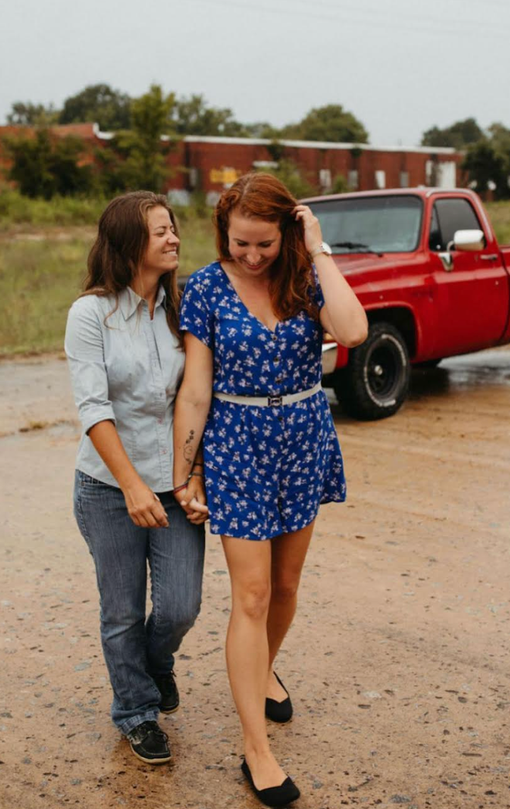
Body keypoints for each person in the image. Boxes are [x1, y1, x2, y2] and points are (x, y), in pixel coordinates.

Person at [172, 173, 368, 806]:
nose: (252, 256)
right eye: (239, 243)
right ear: (223, 234)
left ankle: (260, 673)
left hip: (303, 436)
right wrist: (186, 469)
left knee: (285, 587)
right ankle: (255, 749)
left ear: (287, 233)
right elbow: (196, 387)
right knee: (251, 594)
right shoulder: (203, 287)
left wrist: (316, 247)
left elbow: (355, 331)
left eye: (264, 244)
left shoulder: (305, 277)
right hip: (237, 443)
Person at [65, 191, 208, 766]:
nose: (174, 238)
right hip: (108, 488)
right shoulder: (90, 314)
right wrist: (130, 485)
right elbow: (93, 408)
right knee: (121, 611)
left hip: (174, 487)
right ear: (128, 243)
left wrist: (192, 477)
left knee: (180, 608)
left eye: (173, 228)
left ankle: (157, 664)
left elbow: (197, 399)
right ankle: (136, 712)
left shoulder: (183, 307)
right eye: (159, 231)